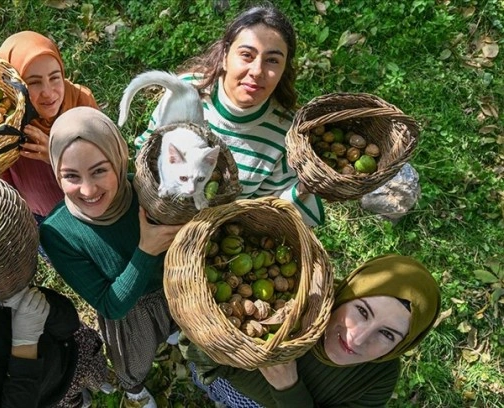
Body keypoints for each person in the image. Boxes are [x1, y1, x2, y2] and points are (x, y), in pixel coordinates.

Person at [39, 107, 183, 408]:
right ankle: (135, 392)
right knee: (135, 361)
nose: (88, 190)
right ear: (55, 173)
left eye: (99, 171)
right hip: (131, 316)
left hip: (173, 292)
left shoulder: (146, 192)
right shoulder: (57, 233)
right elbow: (110, 305)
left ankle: (172, 335)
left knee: (175, 327)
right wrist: (146, 251)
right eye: (71, 176)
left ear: (119, 161)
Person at [134, 4, 324, 227]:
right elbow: (148, 148)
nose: (256, 71)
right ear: (225, 55)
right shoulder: (187, 92)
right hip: (159, 215)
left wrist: (305, 187)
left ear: (284, 70)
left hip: (220, 232)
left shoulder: (285, 132)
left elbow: (268, 206)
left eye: (272, 60)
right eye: (246, 55)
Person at [182, 254, 442, 407]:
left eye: (387, 334)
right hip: (221, 379)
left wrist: (288, 386)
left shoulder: (378, 379)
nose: (357, 338)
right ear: (347, 294)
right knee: (213, 389)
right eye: (362, 311)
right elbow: (198, 353)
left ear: (402, 345)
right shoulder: (300, 300)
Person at [0, 31, 99, 223]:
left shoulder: (81, 103)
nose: (48, 92)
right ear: (13, 85)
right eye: (34, 83)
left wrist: (56, 157)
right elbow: (3, 176)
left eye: (55, 77)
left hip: (93, 205)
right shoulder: (9, 120)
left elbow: (108, 159)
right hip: (45, 217)